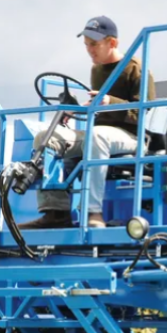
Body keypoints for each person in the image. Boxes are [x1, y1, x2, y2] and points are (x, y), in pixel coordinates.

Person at [20, 15, 156, 229]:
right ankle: (56, 213)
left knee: (96, 136)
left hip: (133, 137)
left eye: (94, 44)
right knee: (46, 137)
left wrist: (110, 102)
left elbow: (144, 112)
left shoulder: (136, 68)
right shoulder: (97, 69)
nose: (89, 50)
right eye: (86, 45)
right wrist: (77, 109)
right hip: (99, 133)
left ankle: (93, 211)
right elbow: (98, 111)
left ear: (112, 43)